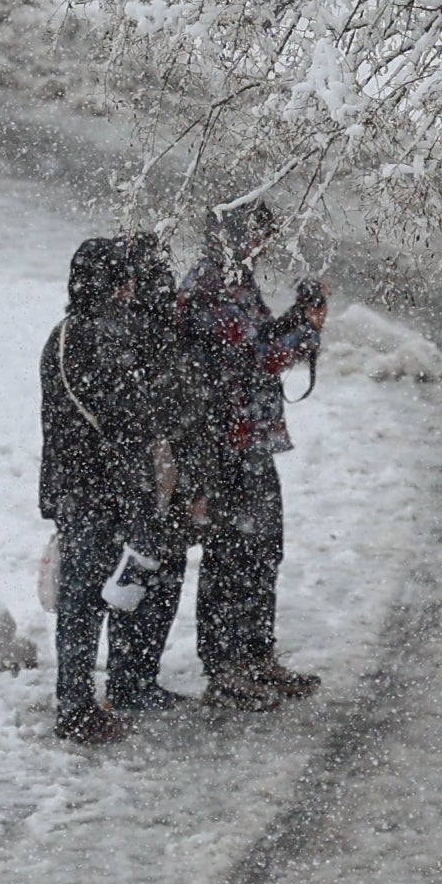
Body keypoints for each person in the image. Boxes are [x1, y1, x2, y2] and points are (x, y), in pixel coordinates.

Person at [168, 198, 333, 704]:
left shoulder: (234, 283)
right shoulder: (211, 289)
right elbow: (257, 356)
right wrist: (303, 324)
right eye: (258, 234)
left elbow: (260, 348)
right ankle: (226, 666)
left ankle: (255, 654)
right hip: (223, 446)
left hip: (248, 441)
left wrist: (299, 323)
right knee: (233, 554)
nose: (265, 243)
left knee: (260, 551)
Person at [38, 232, 195, 743]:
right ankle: (82, 706)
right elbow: (127, 428)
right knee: (96, 595)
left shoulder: (62, 334)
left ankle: (86, 698)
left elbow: (59, 424)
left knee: (86, 597)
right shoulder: (105, 340)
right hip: (103, 491)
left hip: (76, 486)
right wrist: (142, 503)